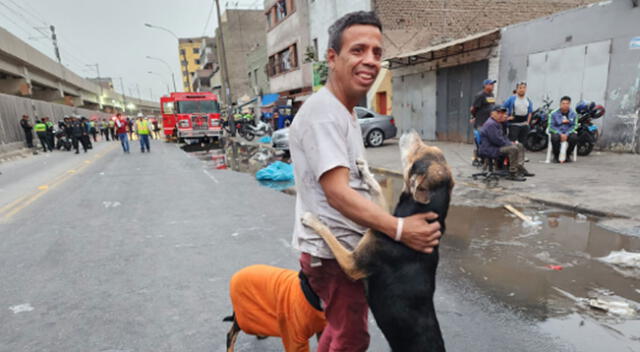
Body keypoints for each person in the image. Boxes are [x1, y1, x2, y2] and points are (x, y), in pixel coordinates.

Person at [289, 11, 441, 352]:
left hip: (339, 248)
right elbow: (338, 194)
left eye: (376, 52)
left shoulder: (343, 111)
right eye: (358, 50)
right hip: (332, 255)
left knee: (339, 328)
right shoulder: (324, 114)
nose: (370, 60)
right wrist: (400, 230)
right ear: (332, 57)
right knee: (352, 338)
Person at [479, 106, 534, 181]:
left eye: (503, 113)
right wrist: (510, 144)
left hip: (496, 146)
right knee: (513, 148)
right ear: (492, 114)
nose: (501, 115)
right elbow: (497, 140)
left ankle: (520, 168)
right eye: (498, 113)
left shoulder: (497, 123)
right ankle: (513, 173)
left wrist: (510, 142)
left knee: (519, 145)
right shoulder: (491, 124)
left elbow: (503, 137)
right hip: (490, 149)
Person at [549, 96, 578, 163]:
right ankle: (556, 156)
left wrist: (567, 134)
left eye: (567, 103)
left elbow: (575, 126)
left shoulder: (574, 114)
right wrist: (560, 134)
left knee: (574, 138)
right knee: (555, 138)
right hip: (557, 132)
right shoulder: (553, 113)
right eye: (563, 103)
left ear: (570, 104)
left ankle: (567, 155)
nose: (565, 105)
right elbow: (551, 126)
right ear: (560, 104)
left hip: (568, 132)